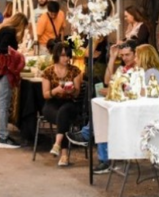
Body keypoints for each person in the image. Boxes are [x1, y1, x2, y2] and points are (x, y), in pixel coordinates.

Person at [67, 40, 138, 174]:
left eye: (127, 55)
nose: (124, 58)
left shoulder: (139, 70)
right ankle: (100, 155)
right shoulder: (123, 69)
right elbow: (107, 80)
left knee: (102, 112)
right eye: (122, 55)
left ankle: (87, 136)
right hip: (120, 106)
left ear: (136, 54)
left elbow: (134, 91)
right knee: (100, 108)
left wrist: (113, 91)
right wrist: (112, 58)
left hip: (130, 109)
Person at [0, 13, 29, 149]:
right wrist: (17, 54)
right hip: (3, 70)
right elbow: (5, 49)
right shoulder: (9, 32)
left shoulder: (0, 29)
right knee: (3, 103)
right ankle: (3, 136)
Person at [41, 42, 83, 167]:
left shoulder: (75, 70)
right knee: (62, 118)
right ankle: (63, 154)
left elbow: (76, 94)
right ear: (57, 55)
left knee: (63, 113)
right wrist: (56, 90)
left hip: (69, 103)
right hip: (52, 103)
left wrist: (72, 90)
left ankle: (58, 145)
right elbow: (46, 95)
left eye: (68, 56)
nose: (67, 58)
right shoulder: (48, 72)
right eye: (64, 55)